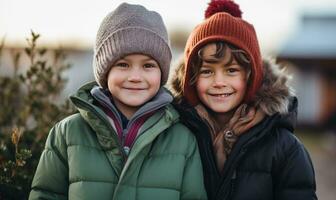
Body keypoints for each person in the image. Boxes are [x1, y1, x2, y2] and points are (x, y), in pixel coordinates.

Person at [29, 3, 207, 200]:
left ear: (162, 72)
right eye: (123, 64)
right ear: (105, 71)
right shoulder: (67, 134)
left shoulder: (183, 140)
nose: (135, 76)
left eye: (148, 65)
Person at [169, 0, 317, 199]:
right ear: (191, 80)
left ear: (251, 76)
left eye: (231, 70)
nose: (219, 82)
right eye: (207, 71)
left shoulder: (285, 149)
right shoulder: (175, 139)